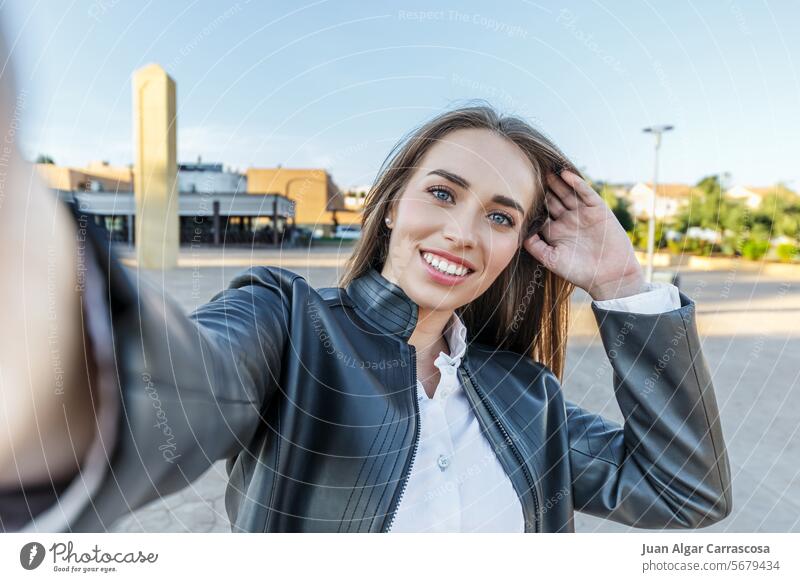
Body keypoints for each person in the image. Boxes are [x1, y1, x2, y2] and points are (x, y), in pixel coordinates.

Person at [0, 48, 731, 531]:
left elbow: (684, 493)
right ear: (390, 206)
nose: (464, 233)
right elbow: (172, 395)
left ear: (518, 247)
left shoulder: (526, 398)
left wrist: (622, 284)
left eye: (500, 216)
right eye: (443, 193)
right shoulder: (287, 327)